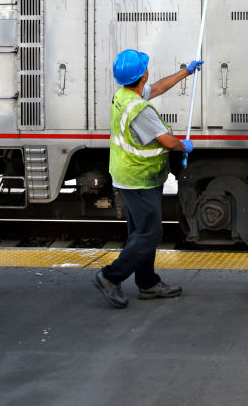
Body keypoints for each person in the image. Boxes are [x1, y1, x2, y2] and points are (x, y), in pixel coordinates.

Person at [93, 49, 202, 309]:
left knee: (141, 232)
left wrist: (186, 72)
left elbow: (159, 87)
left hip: (130, 174)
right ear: (143, 75)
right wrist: (183, 145)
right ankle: (110, 276)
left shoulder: (124, 95)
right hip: (139, 177)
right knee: (150, 233)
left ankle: (147, 282)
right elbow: (168, 142)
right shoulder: (141, 111)